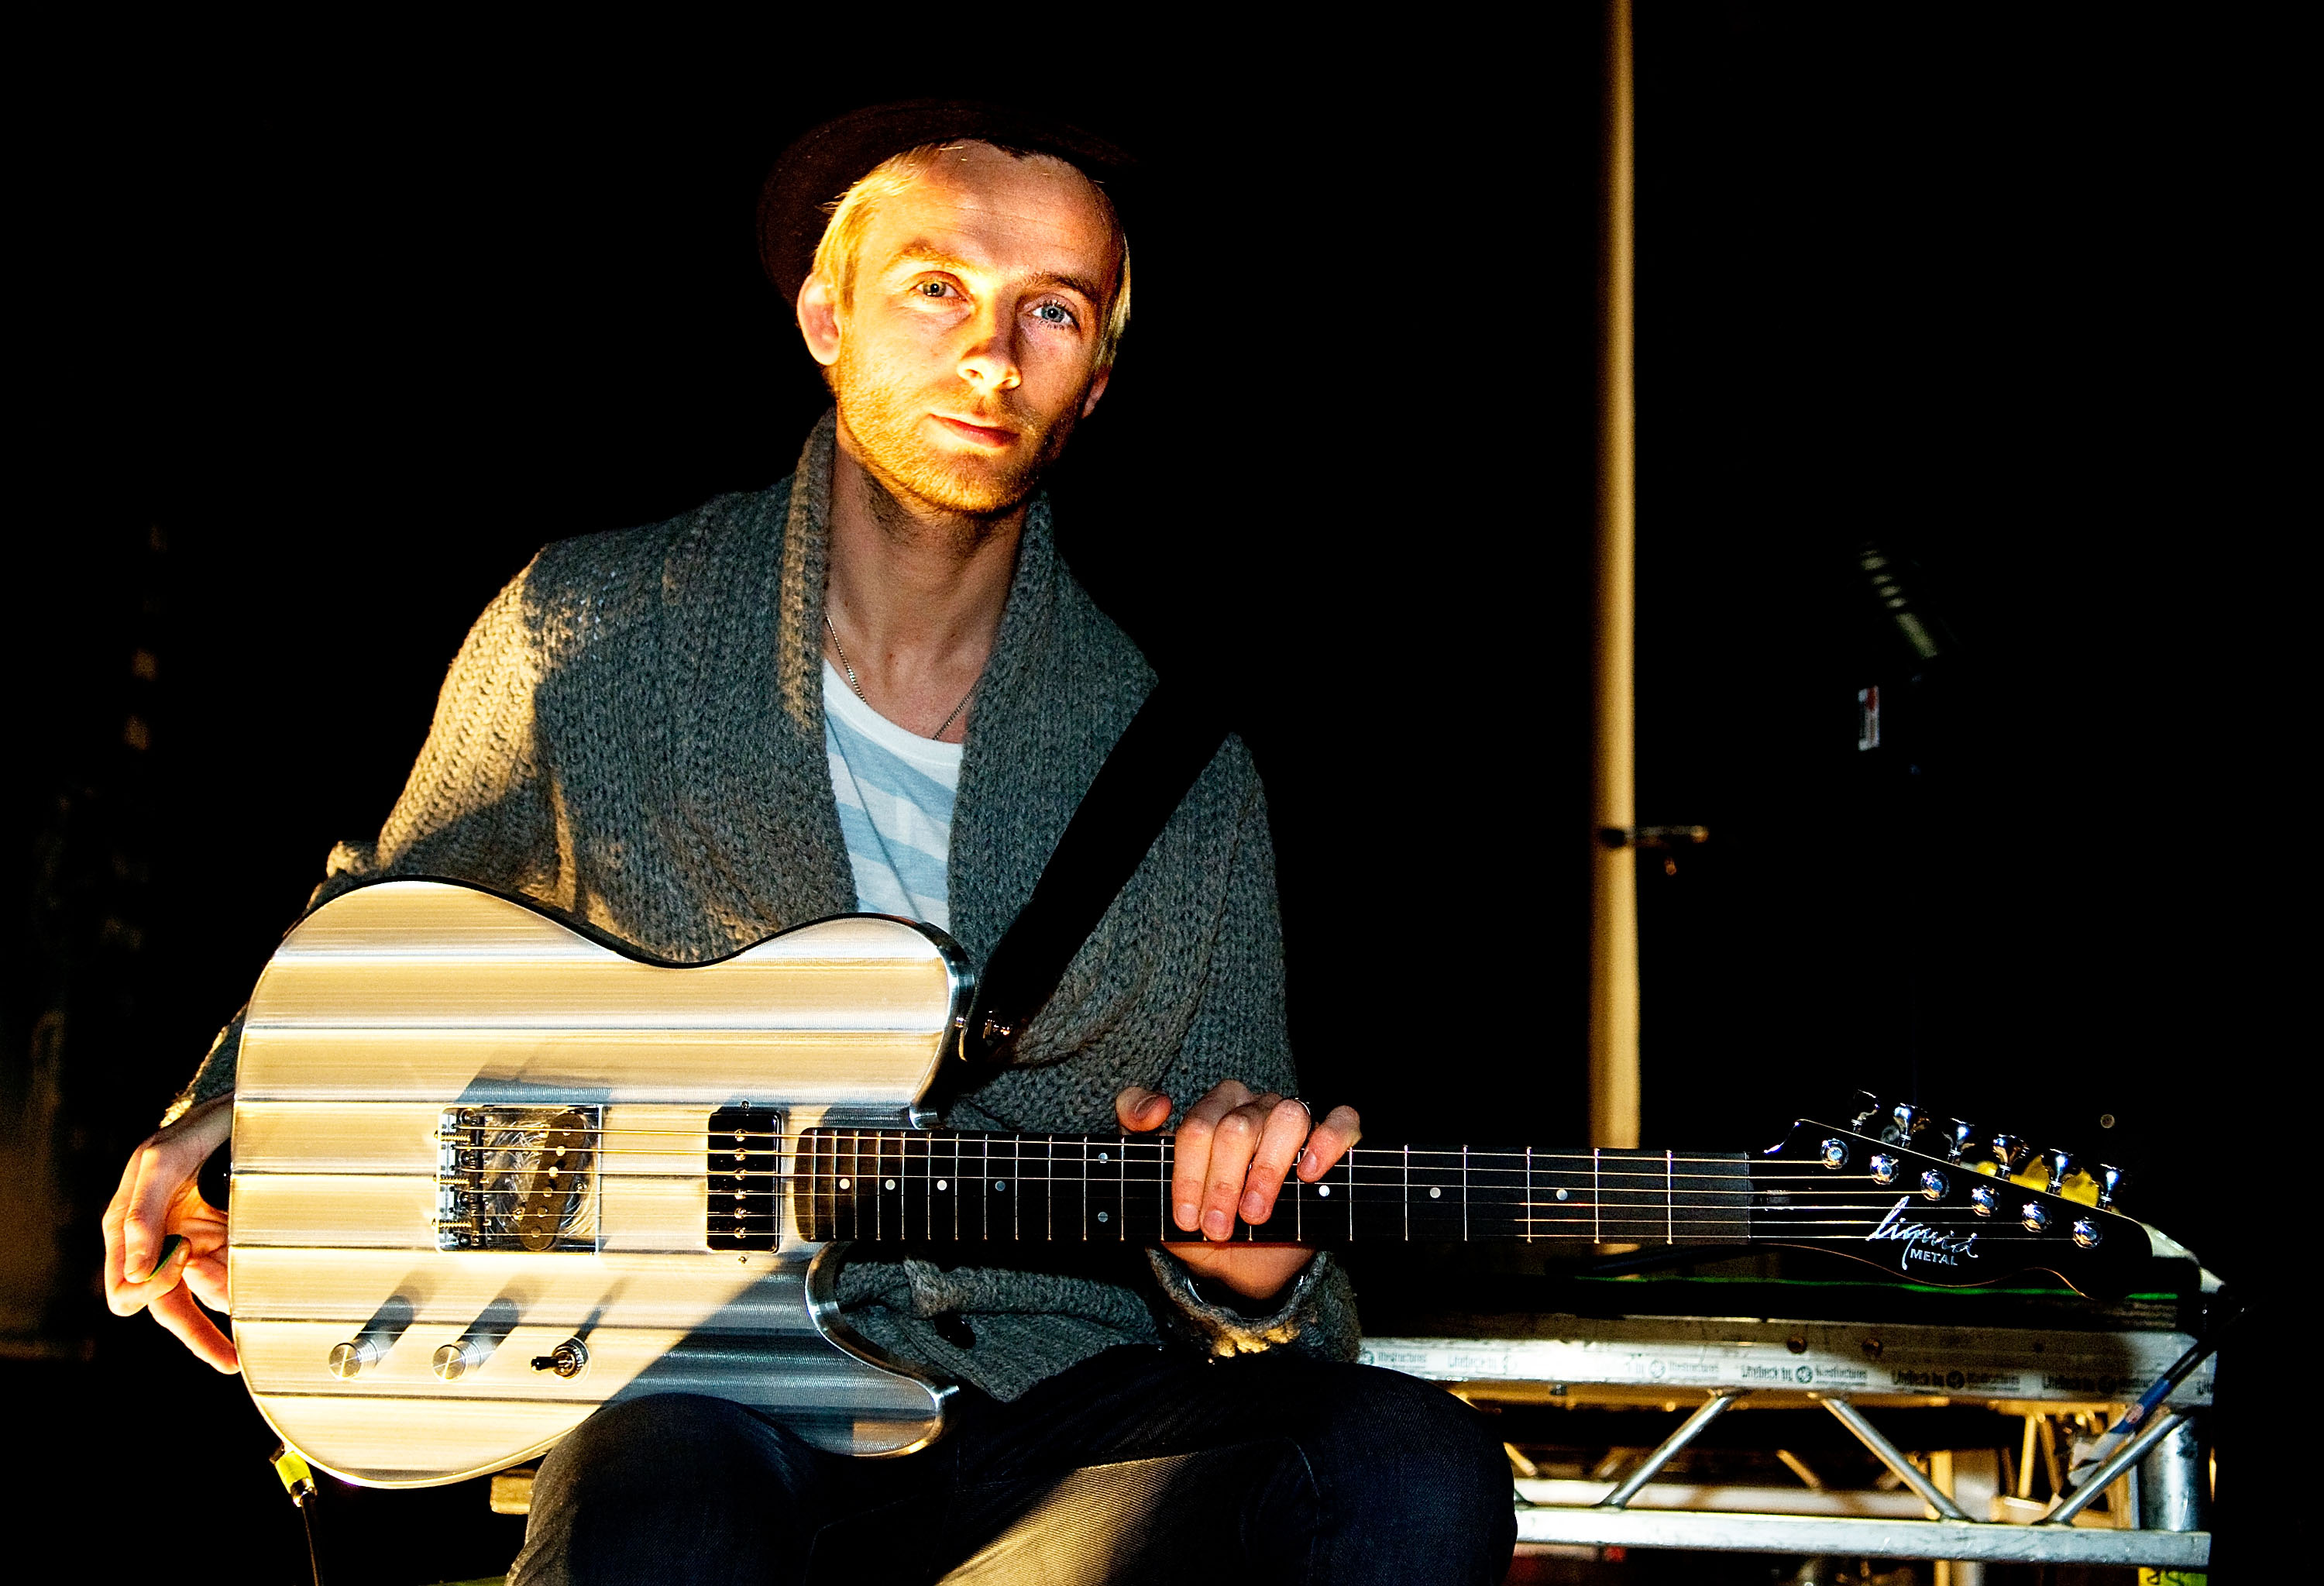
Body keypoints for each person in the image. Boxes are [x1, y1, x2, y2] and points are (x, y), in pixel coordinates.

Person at [101, 101, 1518, 1582]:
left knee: (1408, 1465)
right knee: (660, 1510)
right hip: (692, 1401)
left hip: (1051, 1426)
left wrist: (1256, 1270)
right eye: (938, 286)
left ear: (1097, 379)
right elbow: (386, 924)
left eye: (1053, 310)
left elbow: (1273, 1258)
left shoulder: (1189, 784)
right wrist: (242, 1103)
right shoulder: (590, 635)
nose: (993, 355)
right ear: (825, 317)